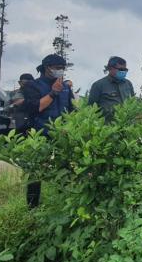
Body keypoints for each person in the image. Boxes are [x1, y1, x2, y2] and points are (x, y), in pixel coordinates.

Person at [22, 54, 75, 207]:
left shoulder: (65, 87)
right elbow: (35, 108)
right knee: (36, 172)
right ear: (47, 68)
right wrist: (53, 93)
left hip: (61, 135)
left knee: (64, 169)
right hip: (40, 134)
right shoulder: (33, 86)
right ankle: (32, 206)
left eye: (62, 68)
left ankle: (63, 202)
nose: (60, 71)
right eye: (57, 68)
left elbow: (70, 109)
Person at [88, 56, 135, 122]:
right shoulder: (98, 85)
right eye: (121, 69)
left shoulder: (128, 84)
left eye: (125, 70)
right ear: (110, 68)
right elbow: (91, 109)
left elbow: (133, 103)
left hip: (127, 125)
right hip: (108, 128)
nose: (124, 72)